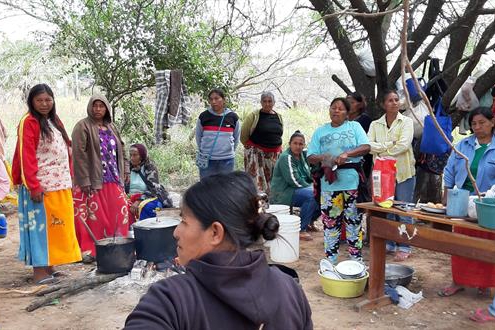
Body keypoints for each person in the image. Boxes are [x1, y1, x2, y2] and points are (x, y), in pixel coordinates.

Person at [125, 172, 313, 329]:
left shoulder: (171, 300)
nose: (176, 232)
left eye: (184, 221)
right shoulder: (289, 289)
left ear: (215, 232)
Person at [12, 84, 81, 283]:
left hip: (59, 184)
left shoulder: (53, 120)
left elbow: (64, 148)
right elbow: (26, 156)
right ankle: (39, 272)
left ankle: (50, 266)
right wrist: (33, 185)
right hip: (41, 186)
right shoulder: (29, 122)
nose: (44, 104)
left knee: (56, 228)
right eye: (39, 100)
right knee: (40, 229)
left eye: (48, 100)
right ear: (31, 102)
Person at [438, 107, 495, 297]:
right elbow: (450, 170)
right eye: (474, 124)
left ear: (492, 122)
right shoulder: (464, 145)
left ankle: (484, 284)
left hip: (487, 207)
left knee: (485, 245)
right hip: (461, 203)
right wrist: (446, 193)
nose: (477, 127)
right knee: (461, 244)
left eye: (482, 123)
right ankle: (458, 281)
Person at [307, 97, 370, 264]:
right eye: (333, 107)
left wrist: (347, 154)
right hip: (329, 184)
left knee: (353, 222)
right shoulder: (321, 131)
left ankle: (356, 261)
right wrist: (324, 157)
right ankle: (331, 261)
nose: (336, 110)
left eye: (340, 108)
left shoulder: (354, 127)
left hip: (352, 182)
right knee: (330, 223)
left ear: (347, 113)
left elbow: (366, 147)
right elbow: (311, 156)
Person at [72, 94, 130, 260]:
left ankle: (117, 246)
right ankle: (94, 250)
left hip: (113, 178)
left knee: (120, 212)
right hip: (94, 180)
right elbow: (79, 154)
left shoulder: (111, 126)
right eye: (95, 106)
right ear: (90, 107)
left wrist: (125, 170)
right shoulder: (82, 126)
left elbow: (122, 149)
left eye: (101, 106)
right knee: (96, 217)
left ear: (107, 108)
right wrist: (84, 180)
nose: (98, 109)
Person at [367, 89, 416, 261]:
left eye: (397, 99)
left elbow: (403, 145)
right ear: (383, 104)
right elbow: (369, 145)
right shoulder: (375, 124)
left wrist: (382, 149)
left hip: (403, 172)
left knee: (403, 209)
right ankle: (391, 242)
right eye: (390, 100)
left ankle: (405, 245)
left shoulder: (407, 122)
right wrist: (389, 144)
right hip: (382, 174)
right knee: (386, 207)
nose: (395, 103)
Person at [270, 130, 320, 241]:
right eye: (295, 143)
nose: (298, 146)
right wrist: (311, 187)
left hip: (297, 189)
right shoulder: (286, 157)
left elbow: (308, 174)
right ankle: (301, 229)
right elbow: (294, 181)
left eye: (301, 144)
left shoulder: (303, 155)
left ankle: (310, 221)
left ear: (304, 145)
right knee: (312, 195)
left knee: (323, 192)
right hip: (284, 192)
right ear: (289, 144)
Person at [241, 91, 283, 195]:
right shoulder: (254, 116)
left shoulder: (279, 116)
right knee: (257, 185)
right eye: (264, 101)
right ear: (261, 102)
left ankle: (272, 205)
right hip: (257, 155)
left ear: (274, 102)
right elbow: (243, 135)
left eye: (270, 101)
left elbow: (279, 133)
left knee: (273, 183)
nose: (267, 104)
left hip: (274, 156)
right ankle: (258, 206)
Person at [195, 89, 240, 178]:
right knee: (206, 187)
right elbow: (198, 137)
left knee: (225, 188)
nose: (213, 102)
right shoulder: (203, 116)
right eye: (211, 99)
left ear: (223, 100)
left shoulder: (233, 117)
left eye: (216, 98)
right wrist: (205, 151)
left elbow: (236, 138)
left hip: (227, 161)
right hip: (207, 160)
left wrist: (228, 152)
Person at [126, 143, 173, 221]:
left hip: (148, 197)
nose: (132, 158)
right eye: (130, 155)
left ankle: (145, 231)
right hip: (130, 197)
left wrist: (138, 201)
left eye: (135, 155)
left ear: (141, 155)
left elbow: (153, 189)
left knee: (148, 207)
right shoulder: (127, 168)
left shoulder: (149, 166)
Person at [347, 92, 373, 178]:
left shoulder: (365, 120)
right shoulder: (343, 121)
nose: (348, 105)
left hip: (361, 161)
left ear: (360, 105)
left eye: (352, 103)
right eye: (346, 102)